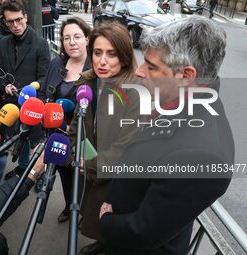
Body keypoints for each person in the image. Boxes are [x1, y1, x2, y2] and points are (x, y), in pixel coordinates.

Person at [98, 16, 234, 255]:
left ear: (186, 76)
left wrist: (107, 222)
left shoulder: (200, 155)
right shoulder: (181, 102)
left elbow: (145, 231)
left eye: (151, 67)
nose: (139, 71)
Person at [68, 21, 140, 254]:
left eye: (111, 54)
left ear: (125, 58)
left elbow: (125, 149)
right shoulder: (87, 83)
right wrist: (72, 154)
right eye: (97, 53)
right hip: (90, 166)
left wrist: (88, 165)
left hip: (115, 177)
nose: (102, 61)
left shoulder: (136, 93)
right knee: (95, 217)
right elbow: (76, 125)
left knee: (112, 223)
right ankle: (101, 242)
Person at [39, 17, 91, 223]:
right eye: (66, 38)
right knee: (65, 174)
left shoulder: (95, 68)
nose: (72, 42)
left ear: (87, 39)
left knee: (84, 174)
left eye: (77, 36)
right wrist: (46, 108)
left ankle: (84, 212)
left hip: (84, 137)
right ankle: (70, 206)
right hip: (57, 135)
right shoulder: (57, 63)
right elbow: (43, 94)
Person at [0, 0, 50, 178]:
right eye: (10, 21)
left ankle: (41, 173)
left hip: (33, 104)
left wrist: (32, 88)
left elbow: (44, 78)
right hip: (13, 103)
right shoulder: (3, 43)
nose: (15, 25)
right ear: (5, 22)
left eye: (18, 20)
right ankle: (22, 167)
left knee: (37, 141)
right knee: (21, 138)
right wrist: (5, 85)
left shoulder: (41, 44)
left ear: (26, 17)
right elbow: (1, 72)